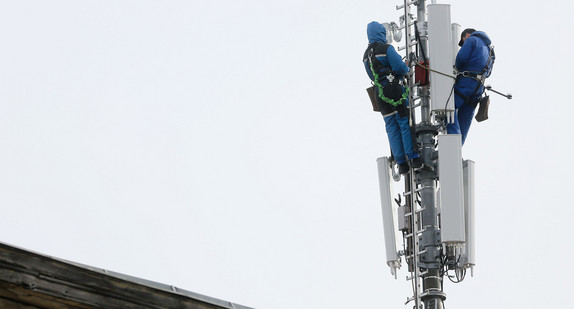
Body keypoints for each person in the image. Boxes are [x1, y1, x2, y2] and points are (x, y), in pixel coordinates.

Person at [363, 21, 422, 174]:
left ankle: (401, 163)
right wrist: (407, 66)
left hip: (379, 92)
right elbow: (399, 68)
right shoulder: (386, 48)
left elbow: (371, 75)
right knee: (404, 121)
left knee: (391, 126)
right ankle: (413, 157)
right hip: (394, 88)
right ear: (382, 33)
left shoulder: (366, 56)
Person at [447, 28, 494, 145]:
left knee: (448, 109)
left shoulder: (472, 40)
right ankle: (458, 150)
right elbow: (488, 72)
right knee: (465, 118)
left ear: (466, 35)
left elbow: (461, 59)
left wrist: (458, 69)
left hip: (467, 82)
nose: (463, 45)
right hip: (479, 87)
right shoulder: (490, 50)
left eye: (462, 42)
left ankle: (453, 142)